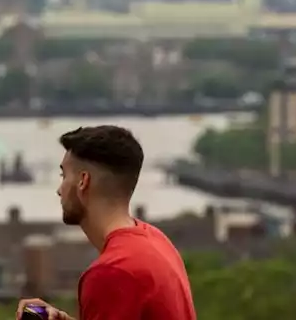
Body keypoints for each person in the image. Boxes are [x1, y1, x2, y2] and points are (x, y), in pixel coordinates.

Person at [16, 126, 196, 320]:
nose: (59, 190)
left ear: (83, 181)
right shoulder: (155, 240)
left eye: (64, 176)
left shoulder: (111, 273)